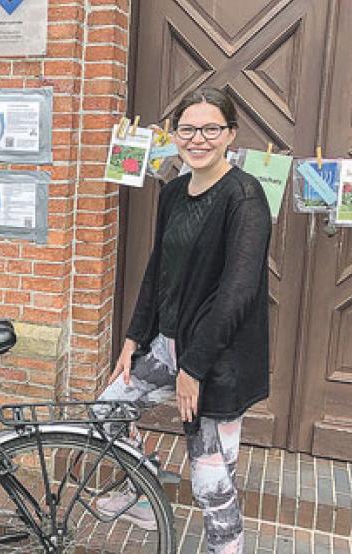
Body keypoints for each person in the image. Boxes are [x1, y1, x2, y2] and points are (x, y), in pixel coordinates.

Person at [97, 86, 271, 552]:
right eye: (188, 129)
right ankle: (143, 491)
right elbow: (158, 270)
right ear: (174, 135)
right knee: (105, 414)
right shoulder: (173, 191)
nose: (198, 138)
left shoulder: (245, 197)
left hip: (218, 362)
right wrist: (134, 338)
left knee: (212, 486)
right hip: (165, 345)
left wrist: (193, 369)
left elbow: (238, 293)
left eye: (211, 128)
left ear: (230, 134)